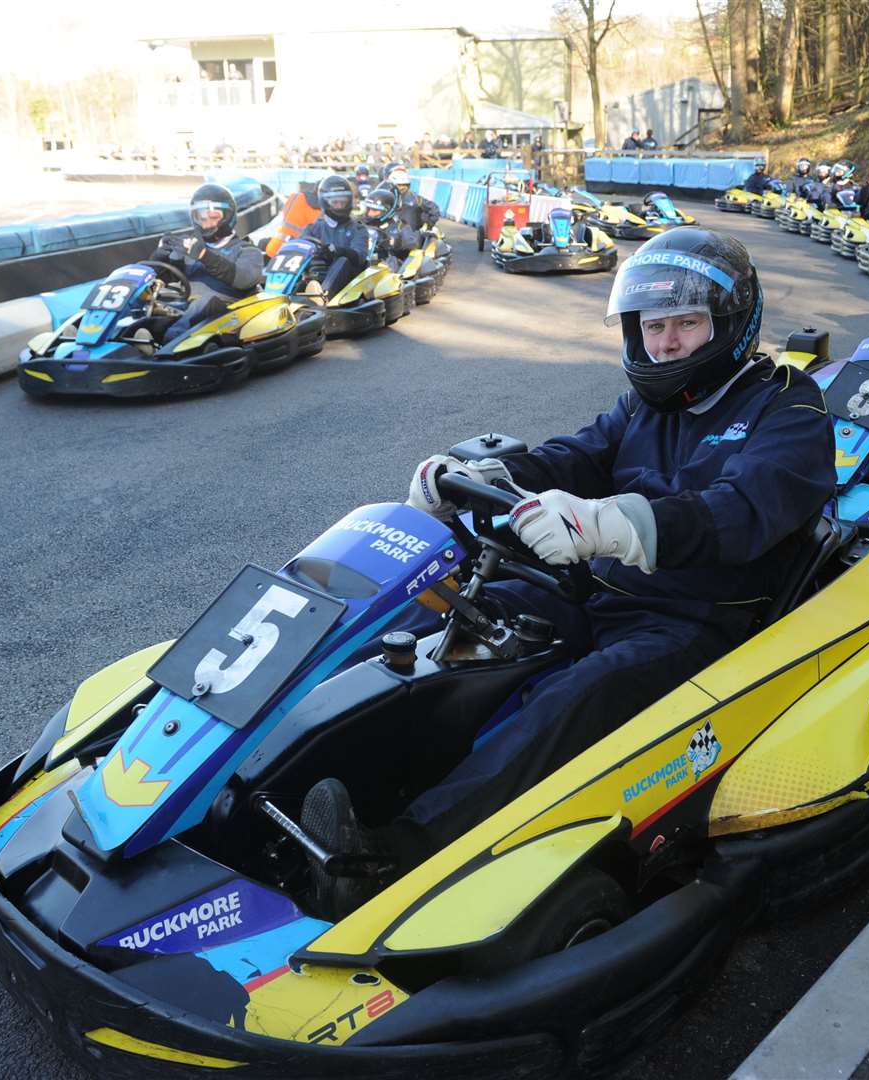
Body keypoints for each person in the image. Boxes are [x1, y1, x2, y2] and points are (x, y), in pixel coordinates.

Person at [300, 228, 837, 916]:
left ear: (730, 326)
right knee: (447, 621)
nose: (666, 343)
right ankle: (311, 770)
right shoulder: (648, 402)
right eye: (653, 327)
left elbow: (743, 510)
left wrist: (612, 523)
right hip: (591, 586)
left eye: (685, 325)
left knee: (577, 696)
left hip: (698, 616)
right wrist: (483, 476)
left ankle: (395, 856)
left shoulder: (788, 409)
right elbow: (574, 457)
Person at [154, 183, 264, 341]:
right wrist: (159, 257)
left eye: (213, 217)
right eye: (202, 218)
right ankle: (132, 342)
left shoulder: (247, 250)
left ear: (228, 216)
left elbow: (243, 279)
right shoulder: (191, 247)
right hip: (191, 310)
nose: (207, 224)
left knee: (204, 303)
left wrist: (204, 256)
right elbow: (167, 279)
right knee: (152, 310)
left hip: (230, 312)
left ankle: (169, 342)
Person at [300, 173, 374, 294]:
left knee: (343, 260)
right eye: (335, 202)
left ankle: (323, 296)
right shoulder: (313, 228)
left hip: (347, 284)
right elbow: (300, 245)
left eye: (342, 202)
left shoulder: (358, 229)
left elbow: (360, 257)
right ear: (325, 202)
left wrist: (337, 251)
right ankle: (282, 295)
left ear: (349, 202)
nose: (339, 206)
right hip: (316, 276)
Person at [384, 166, 441, 234]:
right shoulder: (385, 198)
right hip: (387, 233)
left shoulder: (416, 199)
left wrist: (427, 225)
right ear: (392, 185)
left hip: (410, 236)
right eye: (399, 185)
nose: (402, 187)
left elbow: (434, 210)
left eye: (404, 185)